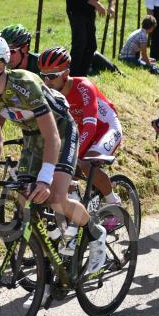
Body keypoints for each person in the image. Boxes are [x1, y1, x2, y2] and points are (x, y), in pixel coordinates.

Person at [0, 34, 107, 274]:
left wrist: (45, 178)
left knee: (56, 198)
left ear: (0, 66)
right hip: (32, 136)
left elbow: (52, 136)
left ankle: (95, 233)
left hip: (60, 131)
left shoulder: (24, 84)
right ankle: (51, 256)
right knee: (23, 201)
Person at [37, 47, 124, 213]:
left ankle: (114, 203)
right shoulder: (49, 93)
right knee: (63, 172)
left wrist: (72, 157)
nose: (47, 82)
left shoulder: (84, 86)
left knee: (85, 163)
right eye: (43, 76)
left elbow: (91, 126)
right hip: (80, 130)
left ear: (65, 73)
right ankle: (78, 209)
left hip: (105, 128)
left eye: (52, 76)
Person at [120, 15, 159, 80]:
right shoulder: (143, 35)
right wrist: (149, 64)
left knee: (153, 62)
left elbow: (140, 53)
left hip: (127, 56)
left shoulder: (139, 31)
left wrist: (147, 60)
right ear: (151, 27)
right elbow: (144, 54)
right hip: (128, 58)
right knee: (152, 67)